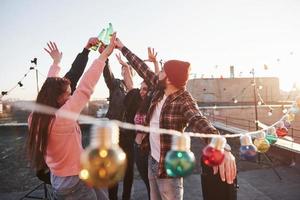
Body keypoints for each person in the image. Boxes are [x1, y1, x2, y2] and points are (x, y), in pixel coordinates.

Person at [114, 38, 237, 200]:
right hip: (152, 160)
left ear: (170, 79)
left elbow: (200, 122)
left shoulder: (184, 100)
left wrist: (223, 146)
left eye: (163, 71)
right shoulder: (159, 89)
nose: (159, 73)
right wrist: (122, 47)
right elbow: (141, 67)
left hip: (169, 169)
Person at [26, 33, 116, 200]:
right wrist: (104, 56)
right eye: (67, 94)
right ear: (56, 98)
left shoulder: (35, 117)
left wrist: (56, 64)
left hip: (59, 179)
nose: (70, 97)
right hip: (75, 181)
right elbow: (85, 87)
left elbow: (48, 89)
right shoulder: (62, 119)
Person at [36, 38, 100, 184]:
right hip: (61, 172)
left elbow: (74, 72)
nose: (70, 95)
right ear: (58, 95)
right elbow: (81, 81)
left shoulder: (57, 93)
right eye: (68, 93)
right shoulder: (58, 110)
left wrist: (85, 50)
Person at [117, 47, 159, 200]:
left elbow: (156, 81)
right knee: (147, 181)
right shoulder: (135, 98)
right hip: (138, 148)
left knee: (153, 183)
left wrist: (155, 63)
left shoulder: (153, 101)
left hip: (152, 147)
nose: (142, 91)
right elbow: (129, 84)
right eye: (141, 88)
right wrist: (126, 67)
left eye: (145, 89)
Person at [102, 48, 135, 200]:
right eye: (123, 69)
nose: (124, 71)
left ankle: (126, 197)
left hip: (130, 135)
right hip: (114, 134)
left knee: (128, 172)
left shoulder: (137, 92)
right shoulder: (116, 84)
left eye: (127, 69)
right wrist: (105, 59)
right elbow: (108, 76)